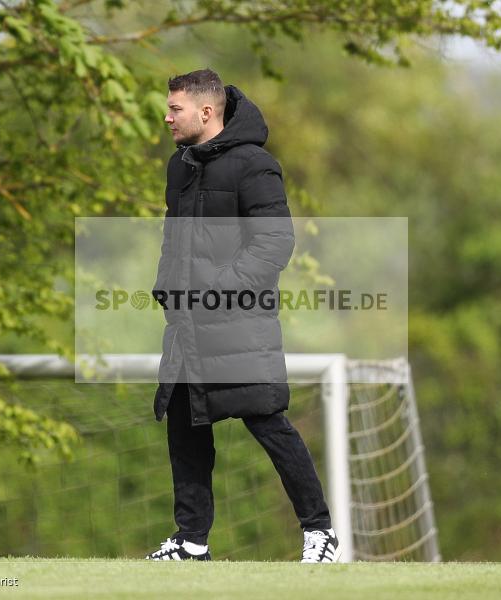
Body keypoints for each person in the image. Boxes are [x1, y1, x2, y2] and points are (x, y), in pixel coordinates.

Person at [146, 69, 338, 563]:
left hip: (237, 325)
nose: (167, 117)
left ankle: (320, 536)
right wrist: (167, 290)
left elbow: (276, 242)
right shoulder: (179, 165)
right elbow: (175, 238)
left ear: (206, 112)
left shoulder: (256, 165)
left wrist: (215, 292)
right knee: (185, 431)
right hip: (186, 326)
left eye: (175, 109)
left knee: (269, 424)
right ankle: (192, 543)